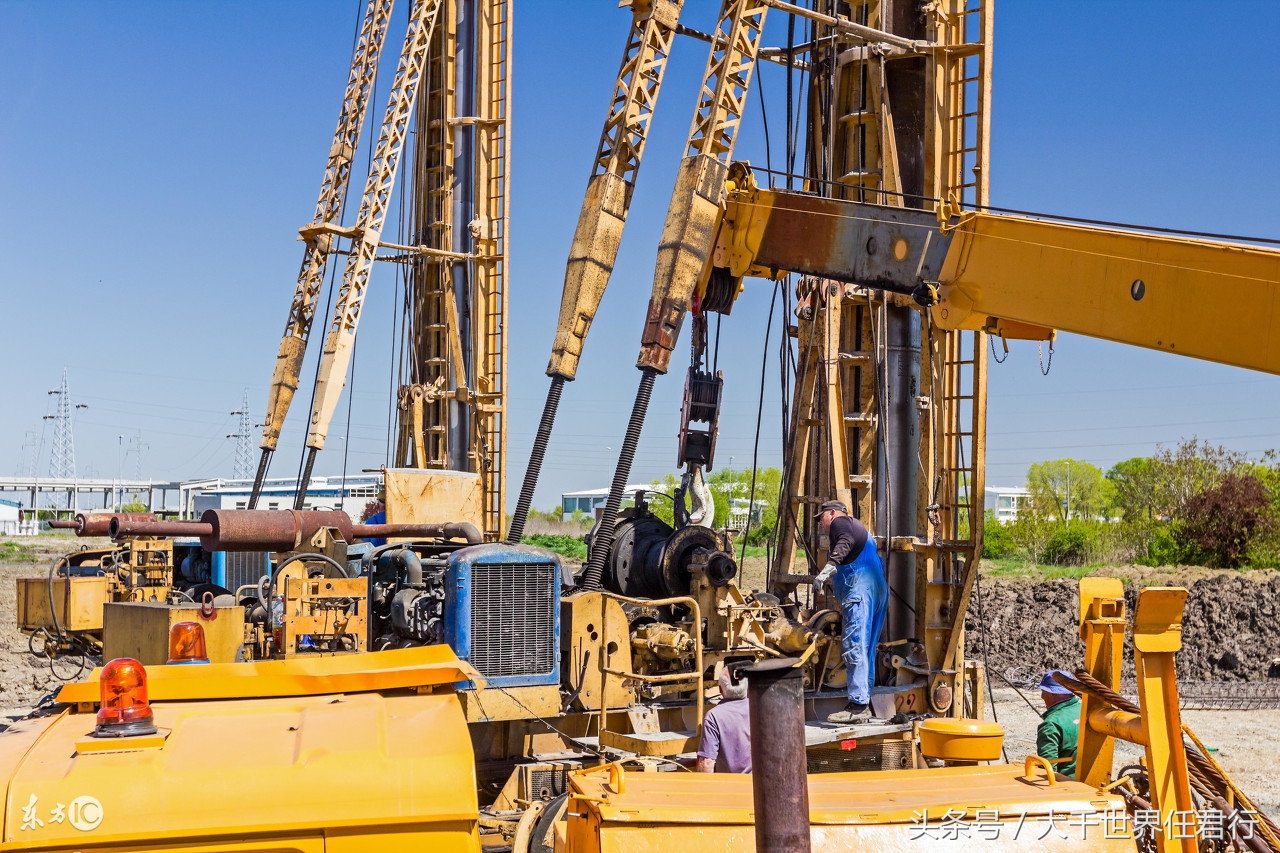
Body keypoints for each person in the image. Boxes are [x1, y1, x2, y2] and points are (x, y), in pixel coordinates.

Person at [814, 500, 887, 724]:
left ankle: (856, 705)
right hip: (877, 591)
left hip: (860, 591)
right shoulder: (864, 532)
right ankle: (864, 699)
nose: (820, 524)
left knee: (854, 644)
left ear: (833, 513)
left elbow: (844, 541)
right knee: (867, 648)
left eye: (822, 518)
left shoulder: (841, 523)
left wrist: (828, 568)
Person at [696, 667, 751, 773]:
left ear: (720, 689)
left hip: (729, 787)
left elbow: (706, 764)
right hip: (758, 785)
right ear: (747, 686)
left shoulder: (713, 716)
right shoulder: (759, 708)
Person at [1037, 669, 1080, 776]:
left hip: (1068, 786)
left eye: (1044, 691)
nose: (1042, 696)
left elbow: (1047, 769)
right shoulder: (1088, 711)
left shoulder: (1051, 724)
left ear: (1053, 694)